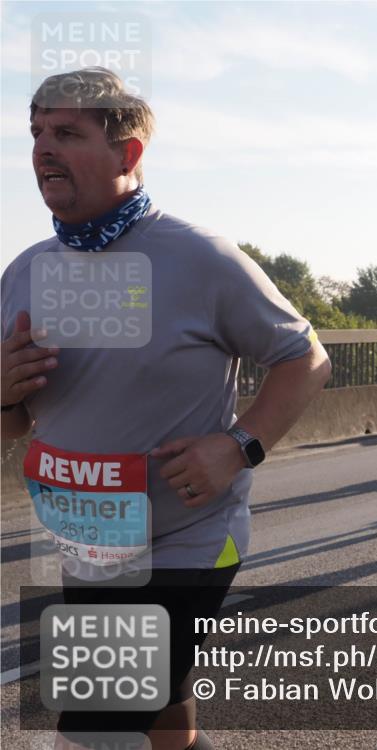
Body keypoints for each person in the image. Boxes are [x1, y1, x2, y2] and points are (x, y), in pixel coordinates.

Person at [1, 68, 332, 750]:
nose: (42, 149)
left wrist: (238, 446)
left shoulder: (199, 257)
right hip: (90, 543)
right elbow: (13, 427)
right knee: (163, 712)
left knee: (94, 726)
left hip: (191, 536)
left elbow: (307, 358)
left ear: (128, 154)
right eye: (36, 132)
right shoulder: (26, 272)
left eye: (67, 132)